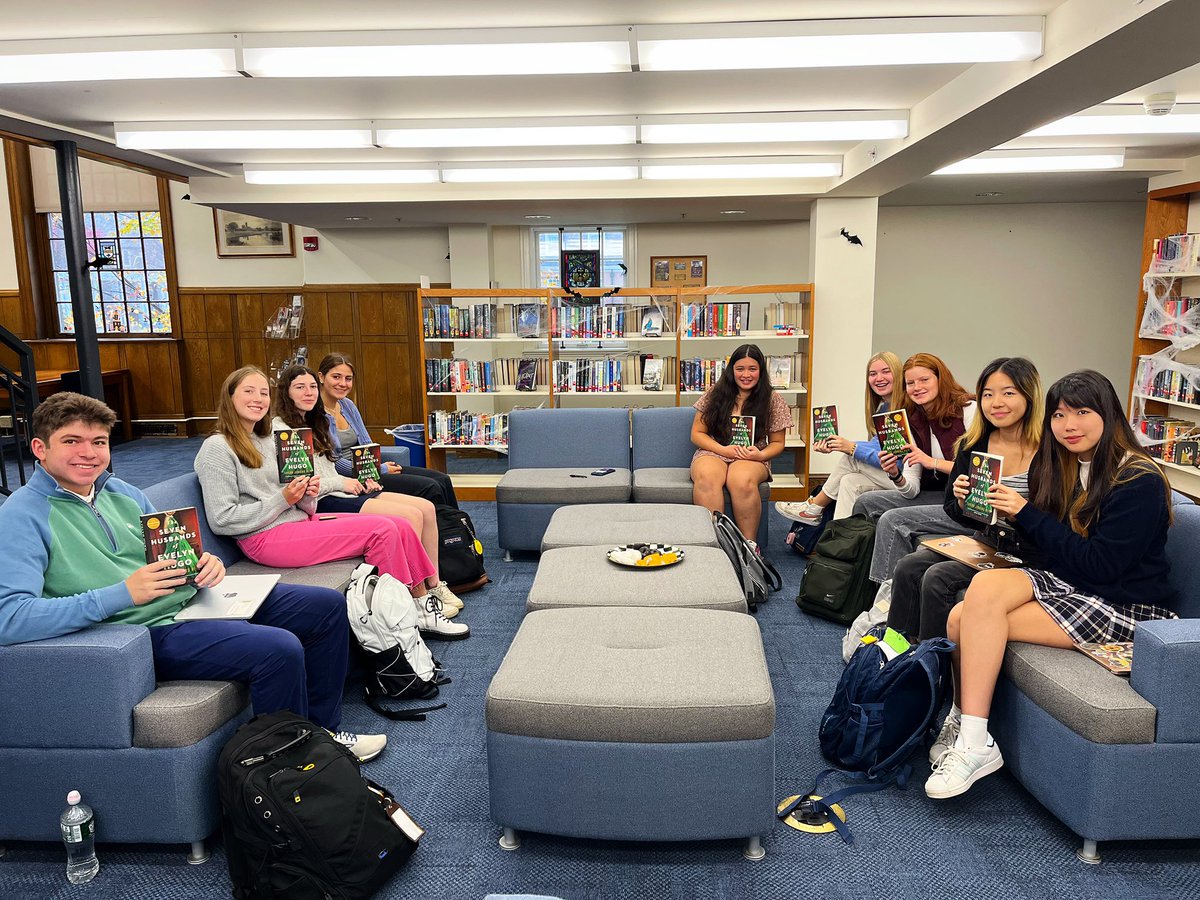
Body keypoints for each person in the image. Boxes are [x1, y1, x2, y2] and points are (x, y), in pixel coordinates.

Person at [0, 392, 387, 762]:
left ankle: (320, 734)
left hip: (193, 601)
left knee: (324, 606)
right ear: (40, 448)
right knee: (278, 649)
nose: (88, 453)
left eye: (98, 442)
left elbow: (174, 551)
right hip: (142, 629)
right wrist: (120, 595)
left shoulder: (121, 491)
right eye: (72, 441)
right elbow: (10, 618)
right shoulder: (22, 515)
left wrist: (203, 563)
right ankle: (289, 769)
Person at [925, 371, 1177, 799]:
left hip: (1124, 605)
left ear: (1109, 414)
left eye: (1082, 412)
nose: (1069, 425)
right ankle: (968, 724)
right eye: (1060, 415)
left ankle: (971, 740)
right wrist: (980, 504)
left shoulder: (1138, 480)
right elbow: (1054, 545)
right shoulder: (1069, 465)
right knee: (964, 608)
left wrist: (1026, 513)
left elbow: (1100, 566)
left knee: (970, 612)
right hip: (1074, 581)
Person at [194, 366, 467, 640]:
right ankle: (403, 620)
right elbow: (223, 519)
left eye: (263, 392)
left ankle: (421, 605)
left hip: (298, 521)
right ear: (229, 397)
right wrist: (284, 499)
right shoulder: (217, 448)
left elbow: (299, 502)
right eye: (248, 392)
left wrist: (306, 493)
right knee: (382, 531)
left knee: (400, 525)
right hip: (262, 537)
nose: (258, 399)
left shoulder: (265, 440)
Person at [272, 364, 464, 617]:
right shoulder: (283, 430)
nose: (308, 393)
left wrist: (365, 478)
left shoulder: (315, 421)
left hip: (343, 488)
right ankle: (412, 594)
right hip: (324, 499)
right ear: (286, 392)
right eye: (299, 387)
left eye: (311, 387)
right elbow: (307, 484)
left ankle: (434, 584)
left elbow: (334, 465)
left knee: (426, 508)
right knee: (410, 516)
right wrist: (344, 482)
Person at [883, 357, 1043, 642]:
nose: (996, 403)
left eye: (1008, 393)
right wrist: (960, 501)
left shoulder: (1048, 452)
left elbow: (1059, 518)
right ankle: (894, 655)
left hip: (1028, 551)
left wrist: (1020, 511)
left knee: (937, 578)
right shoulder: (974, 444)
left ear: (1028, 396)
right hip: (988, 540)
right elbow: (955, 513)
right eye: (988, 394)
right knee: (908, 566)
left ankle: (931, 668)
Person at [317, 353, 458, 509]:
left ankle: (459, 530)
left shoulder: (347, 405)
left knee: (442, 479)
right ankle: (441, 531)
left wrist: (376, 466)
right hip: (350, 477)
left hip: (368, 469)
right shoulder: (314, 413)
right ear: (321, 377)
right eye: (336, 377)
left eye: (348, 379)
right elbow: (332, 463)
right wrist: (380, 469)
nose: (343, 383)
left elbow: (367, 444)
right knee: (430, 487)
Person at [776, 351, 903, 522]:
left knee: (852, 457)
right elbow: (877, 448)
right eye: (873, 374)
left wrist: (850, 447)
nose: (878, 378)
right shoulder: (883, 408)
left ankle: (814, 507)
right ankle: (838, 539)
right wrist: (839, 444)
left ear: (898, 373)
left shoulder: (905, 411)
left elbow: (894, 459)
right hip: (891, 475)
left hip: (905, 480)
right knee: (850, 481)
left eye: (886, 371)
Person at [690, 343, 790, 542]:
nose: (746, 374)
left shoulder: (772, 399)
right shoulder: (715, 394)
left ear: (760, 371)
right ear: (731, 370)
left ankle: (748, 547)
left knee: (740, 479)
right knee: (707, 477)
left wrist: (760, 455)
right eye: (740, 369)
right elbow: (697, 434)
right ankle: (714, 542)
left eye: (752, 369)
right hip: (716, 450)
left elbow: (778, 443)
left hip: (752, 455)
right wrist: (723, 450)